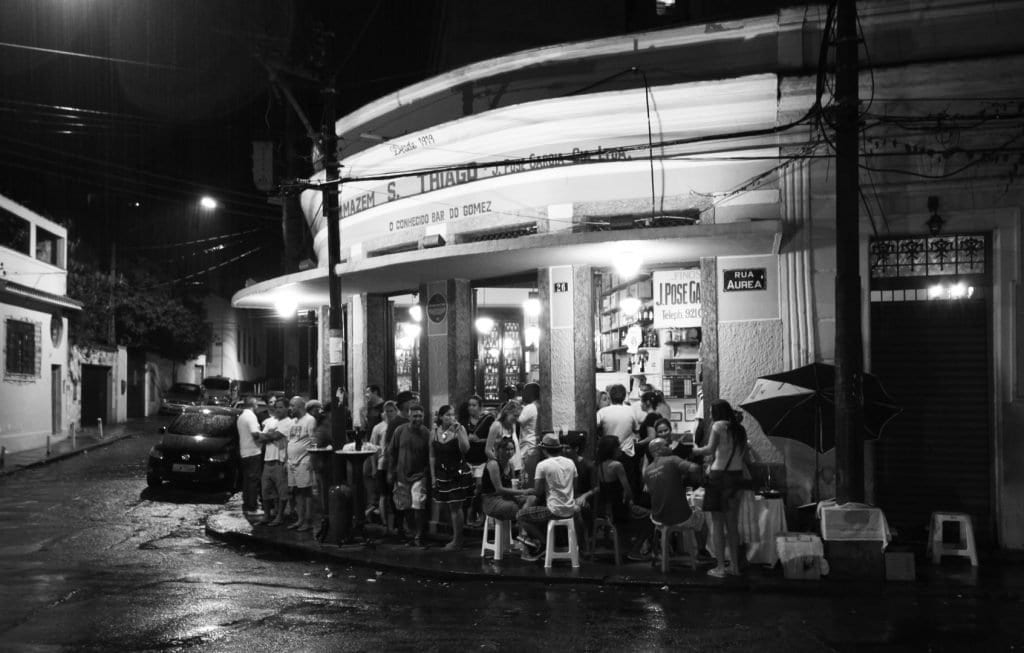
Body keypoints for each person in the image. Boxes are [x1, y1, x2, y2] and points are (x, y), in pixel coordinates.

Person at [691, 399, 748, 578]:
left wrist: (694, 449)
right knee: (732, 524)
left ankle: (721, 567)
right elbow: (742, 453)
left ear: (717, 412)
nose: (709, 415)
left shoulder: (718, 426)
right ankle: (735, 567)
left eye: (710, 411)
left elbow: (709, 450)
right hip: (736, 477)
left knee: (717, 523)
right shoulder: (740, 429)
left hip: (719, 477)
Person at [516, 434, 593, 562]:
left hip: (553, 511)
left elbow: (538, 492)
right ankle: (583, 549)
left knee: (520, 515)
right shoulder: (570, 463)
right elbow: (574, 486)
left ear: (544, 449)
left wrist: (526, 492)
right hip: (570, 509)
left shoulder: (542, 465)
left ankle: (544, 544)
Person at [595, 435, 653, 561]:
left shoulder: (599, 466)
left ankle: (626, 547)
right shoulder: (617, 465)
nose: (620, 450)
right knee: (652, 517)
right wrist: (631, 502)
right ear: (612, 449)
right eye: (618, 447)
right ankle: (635, 550)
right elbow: (627, 490)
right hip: (619, 510)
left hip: (606, 509)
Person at [429, 405, 473, 550]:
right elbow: (432, 455)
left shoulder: (459, 430)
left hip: (457, 472)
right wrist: (433, 476)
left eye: (453, 414)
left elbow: (465, 449)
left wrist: (460, 431)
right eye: (447, 415)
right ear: (441, 417)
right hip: (442, 473)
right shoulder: (434, 432)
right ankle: (455, 535)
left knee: (455, 505)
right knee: (447, 505)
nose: (451, 417)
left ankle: (457, 540)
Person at [391, 403, 432, 547]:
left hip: (419, 475)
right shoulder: (399, 431)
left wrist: (427, 473)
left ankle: (419, 534)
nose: (417, 419)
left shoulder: (426, 433)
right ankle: (410, 531)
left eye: (420, 416)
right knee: (405, 506)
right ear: (409, 416)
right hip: (401, 475)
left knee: (418, 505)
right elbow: (393, 452)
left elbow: (430, 456)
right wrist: (392, 471)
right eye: (415, 416)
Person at [596, 383, 640, 495]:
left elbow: (594, 428)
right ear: (624, 396)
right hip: (627, 453)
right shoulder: (630, 410)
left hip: (607, 454)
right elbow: (636, 429)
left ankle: (610, 509)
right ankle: (627, 506)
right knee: (627, 484)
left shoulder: (602, 412)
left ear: (610, 396)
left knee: (610, 486)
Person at [459, 395, 494, 527]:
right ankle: (469, 516)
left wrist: (479, 440)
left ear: (480, 407)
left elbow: (494, 438)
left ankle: (481, 514)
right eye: (469, 405)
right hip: (468, 459)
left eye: (474, 405)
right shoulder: (464, 422)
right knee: (468, 489)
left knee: (480, 487)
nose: (471, 408)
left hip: (482, 459)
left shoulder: (488, 419)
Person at [482, 437, 533, 521]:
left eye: (512, 449)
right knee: (514, 507)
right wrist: (524, 491)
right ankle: (523, 529)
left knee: (532, 498)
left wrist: (520, 485)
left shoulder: (510, 465)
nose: (509, 452)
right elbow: (499, 489)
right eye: (506, 449)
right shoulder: (493, 464)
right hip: (491, 499)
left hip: (506, 497)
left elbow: (512, 487)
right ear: (499, 450)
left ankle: (523, 526)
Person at [256, 399, 290, 526]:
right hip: (267, 460)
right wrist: (270, 434)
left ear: (287, 409)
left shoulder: (288, 422)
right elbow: (260, 438)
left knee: (282, 491)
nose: (278, 409)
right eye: (276, 407)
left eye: (281, 407)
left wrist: (269, 435)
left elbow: (275, 436)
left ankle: (279, 516)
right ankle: (267, 516)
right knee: (266, 490)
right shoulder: (271, 421)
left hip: (279, 461)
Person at [285, 396, 316, 532]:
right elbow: (289, 441)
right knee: (297, 491)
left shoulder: (309, 420)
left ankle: (308, 520)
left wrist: (311, 460)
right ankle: (300, 519)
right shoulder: (293, 422)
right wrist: (287, 460)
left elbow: (313, 441)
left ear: (300, 406)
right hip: (292, 462)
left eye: (292, 405)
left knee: (306, 492)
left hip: (303, 461)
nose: (290, 408)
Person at [369, 400, 398, 531]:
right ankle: (384, 522)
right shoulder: (378, 428)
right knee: (383, 494)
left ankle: (394, 523)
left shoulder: (397, 425)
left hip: (394, 464)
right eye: (387, 411)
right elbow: (373, 448)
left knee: (394, 494)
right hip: (382, 464)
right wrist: (374, 467)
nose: (389, 413)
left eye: (392, 410)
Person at [236, 396, 263, 514]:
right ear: (253, 405)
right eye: (256, 405)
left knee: (247, 480)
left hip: (244, 452)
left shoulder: (241, 416)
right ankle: (252, 507)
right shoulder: (251, 417)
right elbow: (255, 434)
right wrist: (266, 436)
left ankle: (247, 504)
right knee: (253, 481)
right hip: (253, 452)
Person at [485, 399, 522, 476]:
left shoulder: (513, 426)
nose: (517, 419)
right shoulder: (496, 426)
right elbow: (488, 450)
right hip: (497, 466)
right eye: (515, 415)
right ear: (507, 413)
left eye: (518, 416)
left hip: (509, 466)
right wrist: (498, 464)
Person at [518, 382, 541, 483]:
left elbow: (516, 421)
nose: (522, 394)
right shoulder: (538, 405)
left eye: (524, 391)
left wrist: (513, 408)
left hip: (527, 447)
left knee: (526, 478)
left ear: (530, 393)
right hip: (534, 446)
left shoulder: (530, 407)